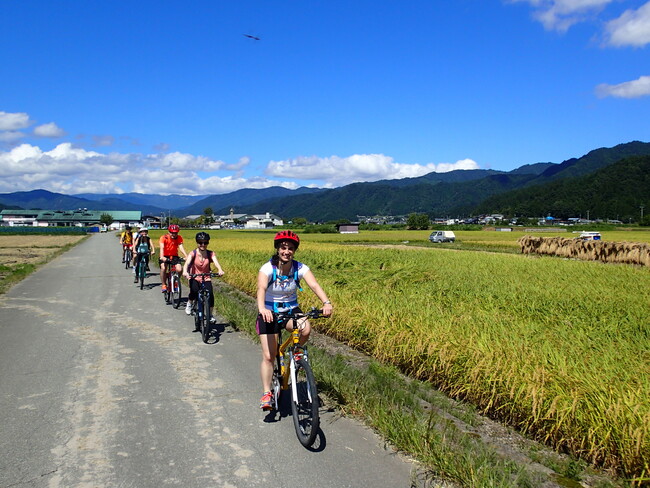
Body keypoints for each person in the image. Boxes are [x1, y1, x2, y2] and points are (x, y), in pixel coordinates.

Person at [256, 230, 332, 410]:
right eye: (283, 248)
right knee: (269, 356)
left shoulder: (300, 268)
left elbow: (314, 285)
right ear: (277, 249)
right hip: (270, 311)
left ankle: (296, 352)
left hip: (290, 309)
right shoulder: (268, 268)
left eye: (290, 248)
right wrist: (262, 309)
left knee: (305, 328)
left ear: (294, 251)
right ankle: (267, 393)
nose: (286, 251)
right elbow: (260, 288)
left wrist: (326, 302)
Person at [182, 232, 225, 329]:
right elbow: (187, 263)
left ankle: (209, 315)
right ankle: (189, 303)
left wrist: (220, 270)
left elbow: (217, 263)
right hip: (194, 276)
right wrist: (185, 271)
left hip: (206, 277)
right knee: (194, 291)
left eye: (205, 243)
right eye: (200, 242)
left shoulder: (210, 253)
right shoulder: (193, 253)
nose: (203, 245)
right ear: (197, 243)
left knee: (210, 295)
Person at [159, 224, 188, 293]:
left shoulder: (179, 238)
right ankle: (163, 284)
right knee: (163, 268)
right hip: (165, 256)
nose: (174, 234)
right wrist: (162, 257)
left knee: (179, 269)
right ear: (169, 232)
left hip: (174, 256)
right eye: (172, 233)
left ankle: (176, 281)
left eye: (175, 233)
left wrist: (186, 256)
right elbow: (162, 248)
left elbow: (181, 247)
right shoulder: (164, 238)